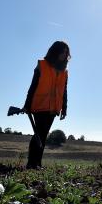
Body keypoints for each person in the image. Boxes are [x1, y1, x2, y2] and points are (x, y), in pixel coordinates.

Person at [23, 41, 70, 169]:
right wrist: (27, 104)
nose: (65, 54)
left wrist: (64, 108)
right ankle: (31, 163)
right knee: (39, 134)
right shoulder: (42, 65)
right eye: (62, 51)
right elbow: (33, 86)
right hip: (40, 105)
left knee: (43, 136)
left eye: (66, 52)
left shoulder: (64, 72)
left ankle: (37, 163)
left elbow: (64, 91)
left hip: (54, 108)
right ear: (55, 51)